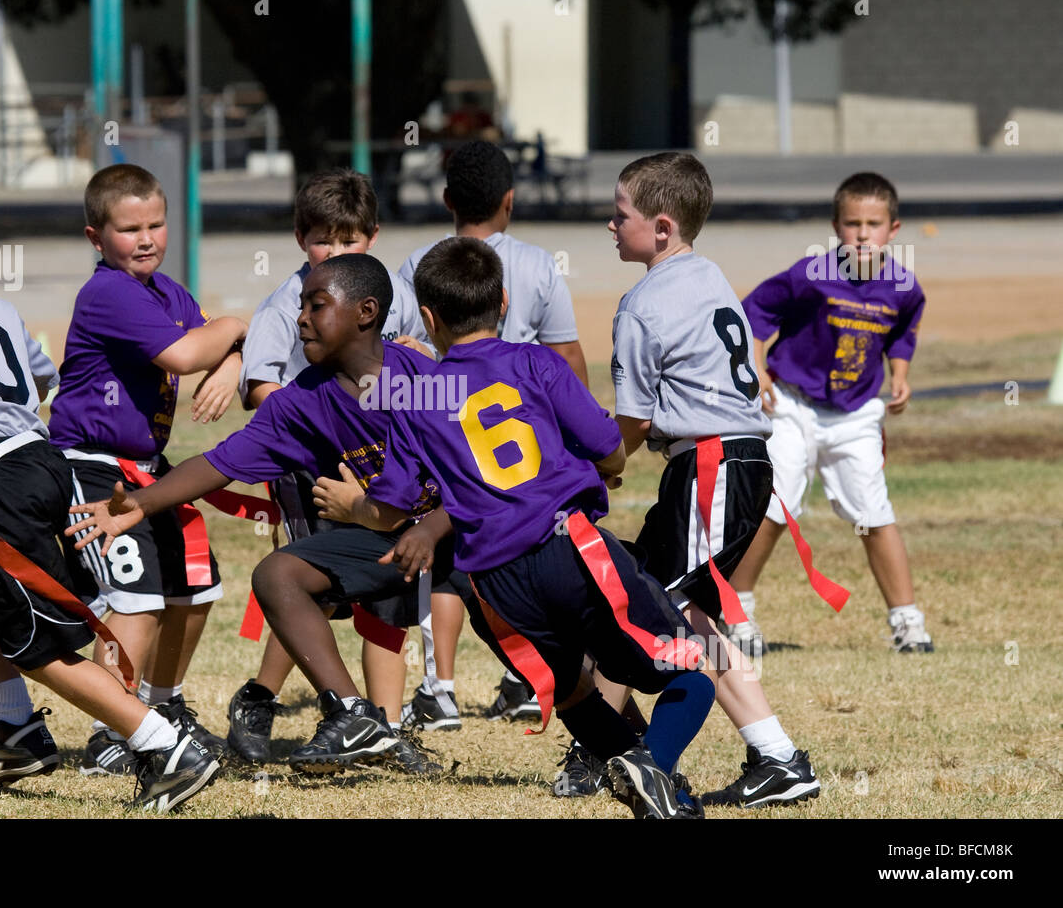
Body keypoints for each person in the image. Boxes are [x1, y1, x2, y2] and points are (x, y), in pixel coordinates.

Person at [315, 237, 717, 819]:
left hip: (492, 582)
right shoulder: (535, 362)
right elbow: (611, 452)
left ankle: (657, 798)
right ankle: (651, 767)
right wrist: (590, 466)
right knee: (692, 673)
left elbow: (392, 507)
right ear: (503, 302)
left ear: (427, 318)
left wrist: (354, 506)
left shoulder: (414, 392)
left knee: (572, 687)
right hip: (569, 547)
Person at [0, 189, 217, 812]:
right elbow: (40, 379)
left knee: (37, 643)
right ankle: (16, 727)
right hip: (47, 462)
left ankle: (162, 744)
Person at [69, 253, 456, 775]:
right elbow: (220, 461)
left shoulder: (422, 378)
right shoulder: (303, 402)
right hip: (397, 539)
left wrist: (422, 523)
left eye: (317, 306)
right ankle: (352, 713)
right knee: (279, 573)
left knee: (547, 626)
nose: (301, 319)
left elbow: (474, 479)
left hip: (466, 532)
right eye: (301, 306)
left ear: (366, 313)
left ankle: (600, 729)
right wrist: (140, 501)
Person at [588, 152, 835, 809]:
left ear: (662, 227)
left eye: (621, 215)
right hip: (735, 460)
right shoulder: (708, 274)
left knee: (651, 610)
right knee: (683, 612)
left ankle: (641, 759)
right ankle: (776, 757)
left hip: (711, 465)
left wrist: (596, 468)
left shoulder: (642, 302)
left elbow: (634, 421)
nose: (610, 226)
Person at [227, 168, 443, 761]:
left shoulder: (379, 292)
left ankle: (384, 731)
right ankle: (261, 699)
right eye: (325, 238)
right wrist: (316, 424)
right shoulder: (286, 305)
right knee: (313, 591)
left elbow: (408, 370)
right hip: (317, 475)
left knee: (387, 596)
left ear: (371, 237)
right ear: (301, 238)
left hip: (383, 475)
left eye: (349, 239)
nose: (337, 250)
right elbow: (261, 386)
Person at [50, 163, 248, 776]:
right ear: (95, 238)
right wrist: (238, 328)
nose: (146, 239)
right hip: (94, 466)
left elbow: (209, 339)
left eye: (156, 224)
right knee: (137, 600)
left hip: (149, 467)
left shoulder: (168, 291)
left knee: (195, 589)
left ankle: (162, 708)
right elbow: (188, 351)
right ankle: (115, 728)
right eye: (129, 228)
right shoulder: (108, 291)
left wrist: (235, 361)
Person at [395, 140, 589, 728]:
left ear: (448, 199)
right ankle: (531, 677)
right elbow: (566, 354)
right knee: (533, 548)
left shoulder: (418, 264)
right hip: (528, 435)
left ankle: (440, 687)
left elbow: (405, 352)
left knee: (447, 557)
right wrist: (574, 426)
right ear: (510, 200)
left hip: (450, 432)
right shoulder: (535, 263)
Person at [732, 172, 931, 653]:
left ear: (894, 229)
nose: (863, 234)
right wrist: (755, 369)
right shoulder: (809, 275)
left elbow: (902, 332)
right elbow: (753, 313)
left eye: (874, 223)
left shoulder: (904, 287)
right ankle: (736, 613)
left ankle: (908, 624)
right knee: (775, 503)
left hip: (856, 412)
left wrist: (899, 374)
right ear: (835, 227)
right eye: (852, 223)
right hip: (793, 405)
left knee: (873, 512)